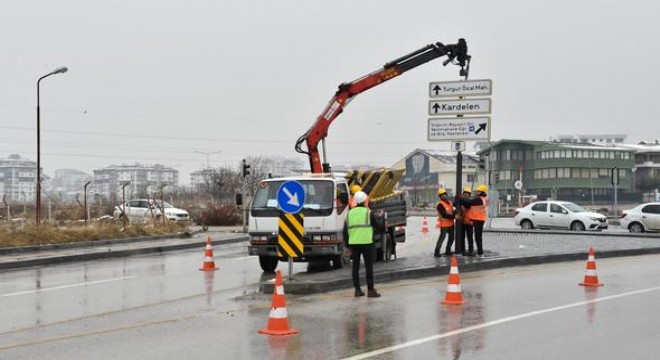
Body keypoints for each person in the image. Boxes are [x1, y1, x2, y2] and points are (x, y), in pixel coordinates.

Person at [343, 191, 385, 297]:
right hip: (367, 243)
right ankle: (370, 291)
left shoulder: (349, 213)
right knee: (368, 267)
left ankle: (357, 290)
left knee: (355, 268)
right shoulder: (368, 212)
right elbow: (379, 227)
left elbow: (345, 231)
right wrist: (381, 217)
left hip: (354, 244)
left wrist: (347, 246)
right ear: (364, 201)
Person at [458, 184, 488, 257]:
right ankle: (480, 252)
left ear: (482, 192)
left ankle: (480, 253)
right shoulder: (483, 199)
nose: (476, 192)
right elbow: (469, 204)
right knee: (478, 236)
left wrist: (460, 198)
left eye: (478, 191)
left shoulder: (479, 199)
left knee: (477, 237)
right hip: (480, 219)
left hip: (478, 219)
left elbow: (468, 203)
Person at [434, 188, 455, 257]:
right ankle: (437, 252)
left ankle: (448, 250)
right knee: (442, 238)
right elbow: (444, 215)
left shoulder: (450, 203)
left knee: (452, 238)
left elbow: (453, 211)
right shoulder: (440, 205)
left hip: (451, 224)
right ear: (440, 196)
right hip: (444, 225)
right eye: (442, 195)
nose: (444, 196)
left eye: (444, 194)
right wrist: (454, 216)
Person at [460, 188, 475, 256]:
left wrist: (460, 199)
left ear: (469, 196)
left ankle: (471, 250)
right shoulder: (462, 203)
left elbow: (467, 205)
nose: (465, 196)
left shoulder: (471, 202)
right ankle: (462, 250)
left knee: (470, 238)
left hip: (469, 223)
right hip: (463, 222)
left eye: (467, 195)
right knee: (462, 238)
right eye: (464, 194)